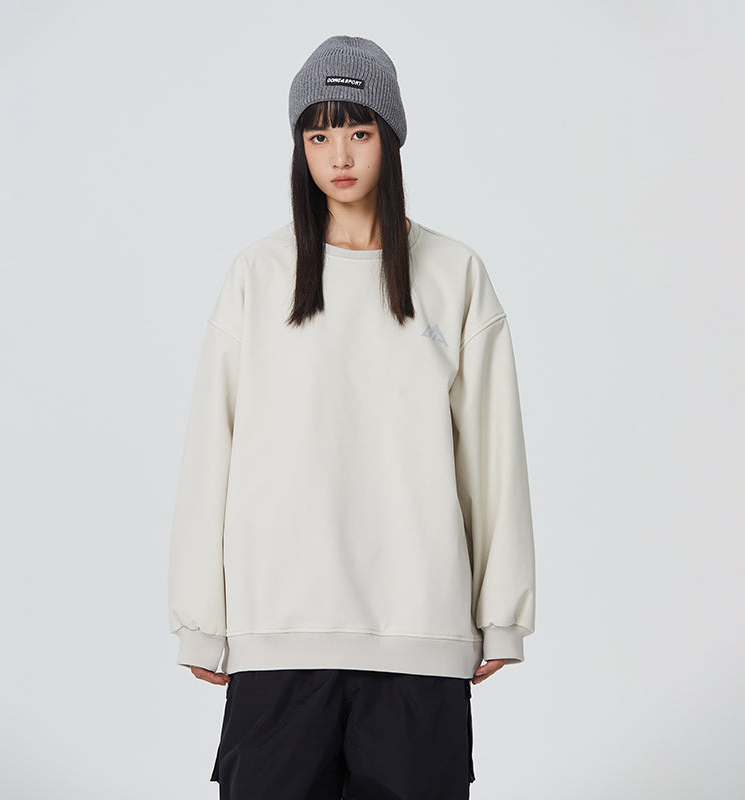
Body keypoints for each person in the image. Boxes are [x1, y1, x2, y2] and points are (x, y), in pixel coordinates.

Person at [167, 35, 536, 799]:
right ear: (299, 147)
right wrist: (200, 617)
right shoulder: (260, 275)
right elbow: (211, 449)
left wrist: (500, 611)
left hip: (417, 630)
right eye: (318, 135)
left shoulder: (454, 274)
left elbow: (492, 456)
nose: (339, 155)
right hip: (279, 630)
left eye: (359, 131)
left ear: (390, 139)